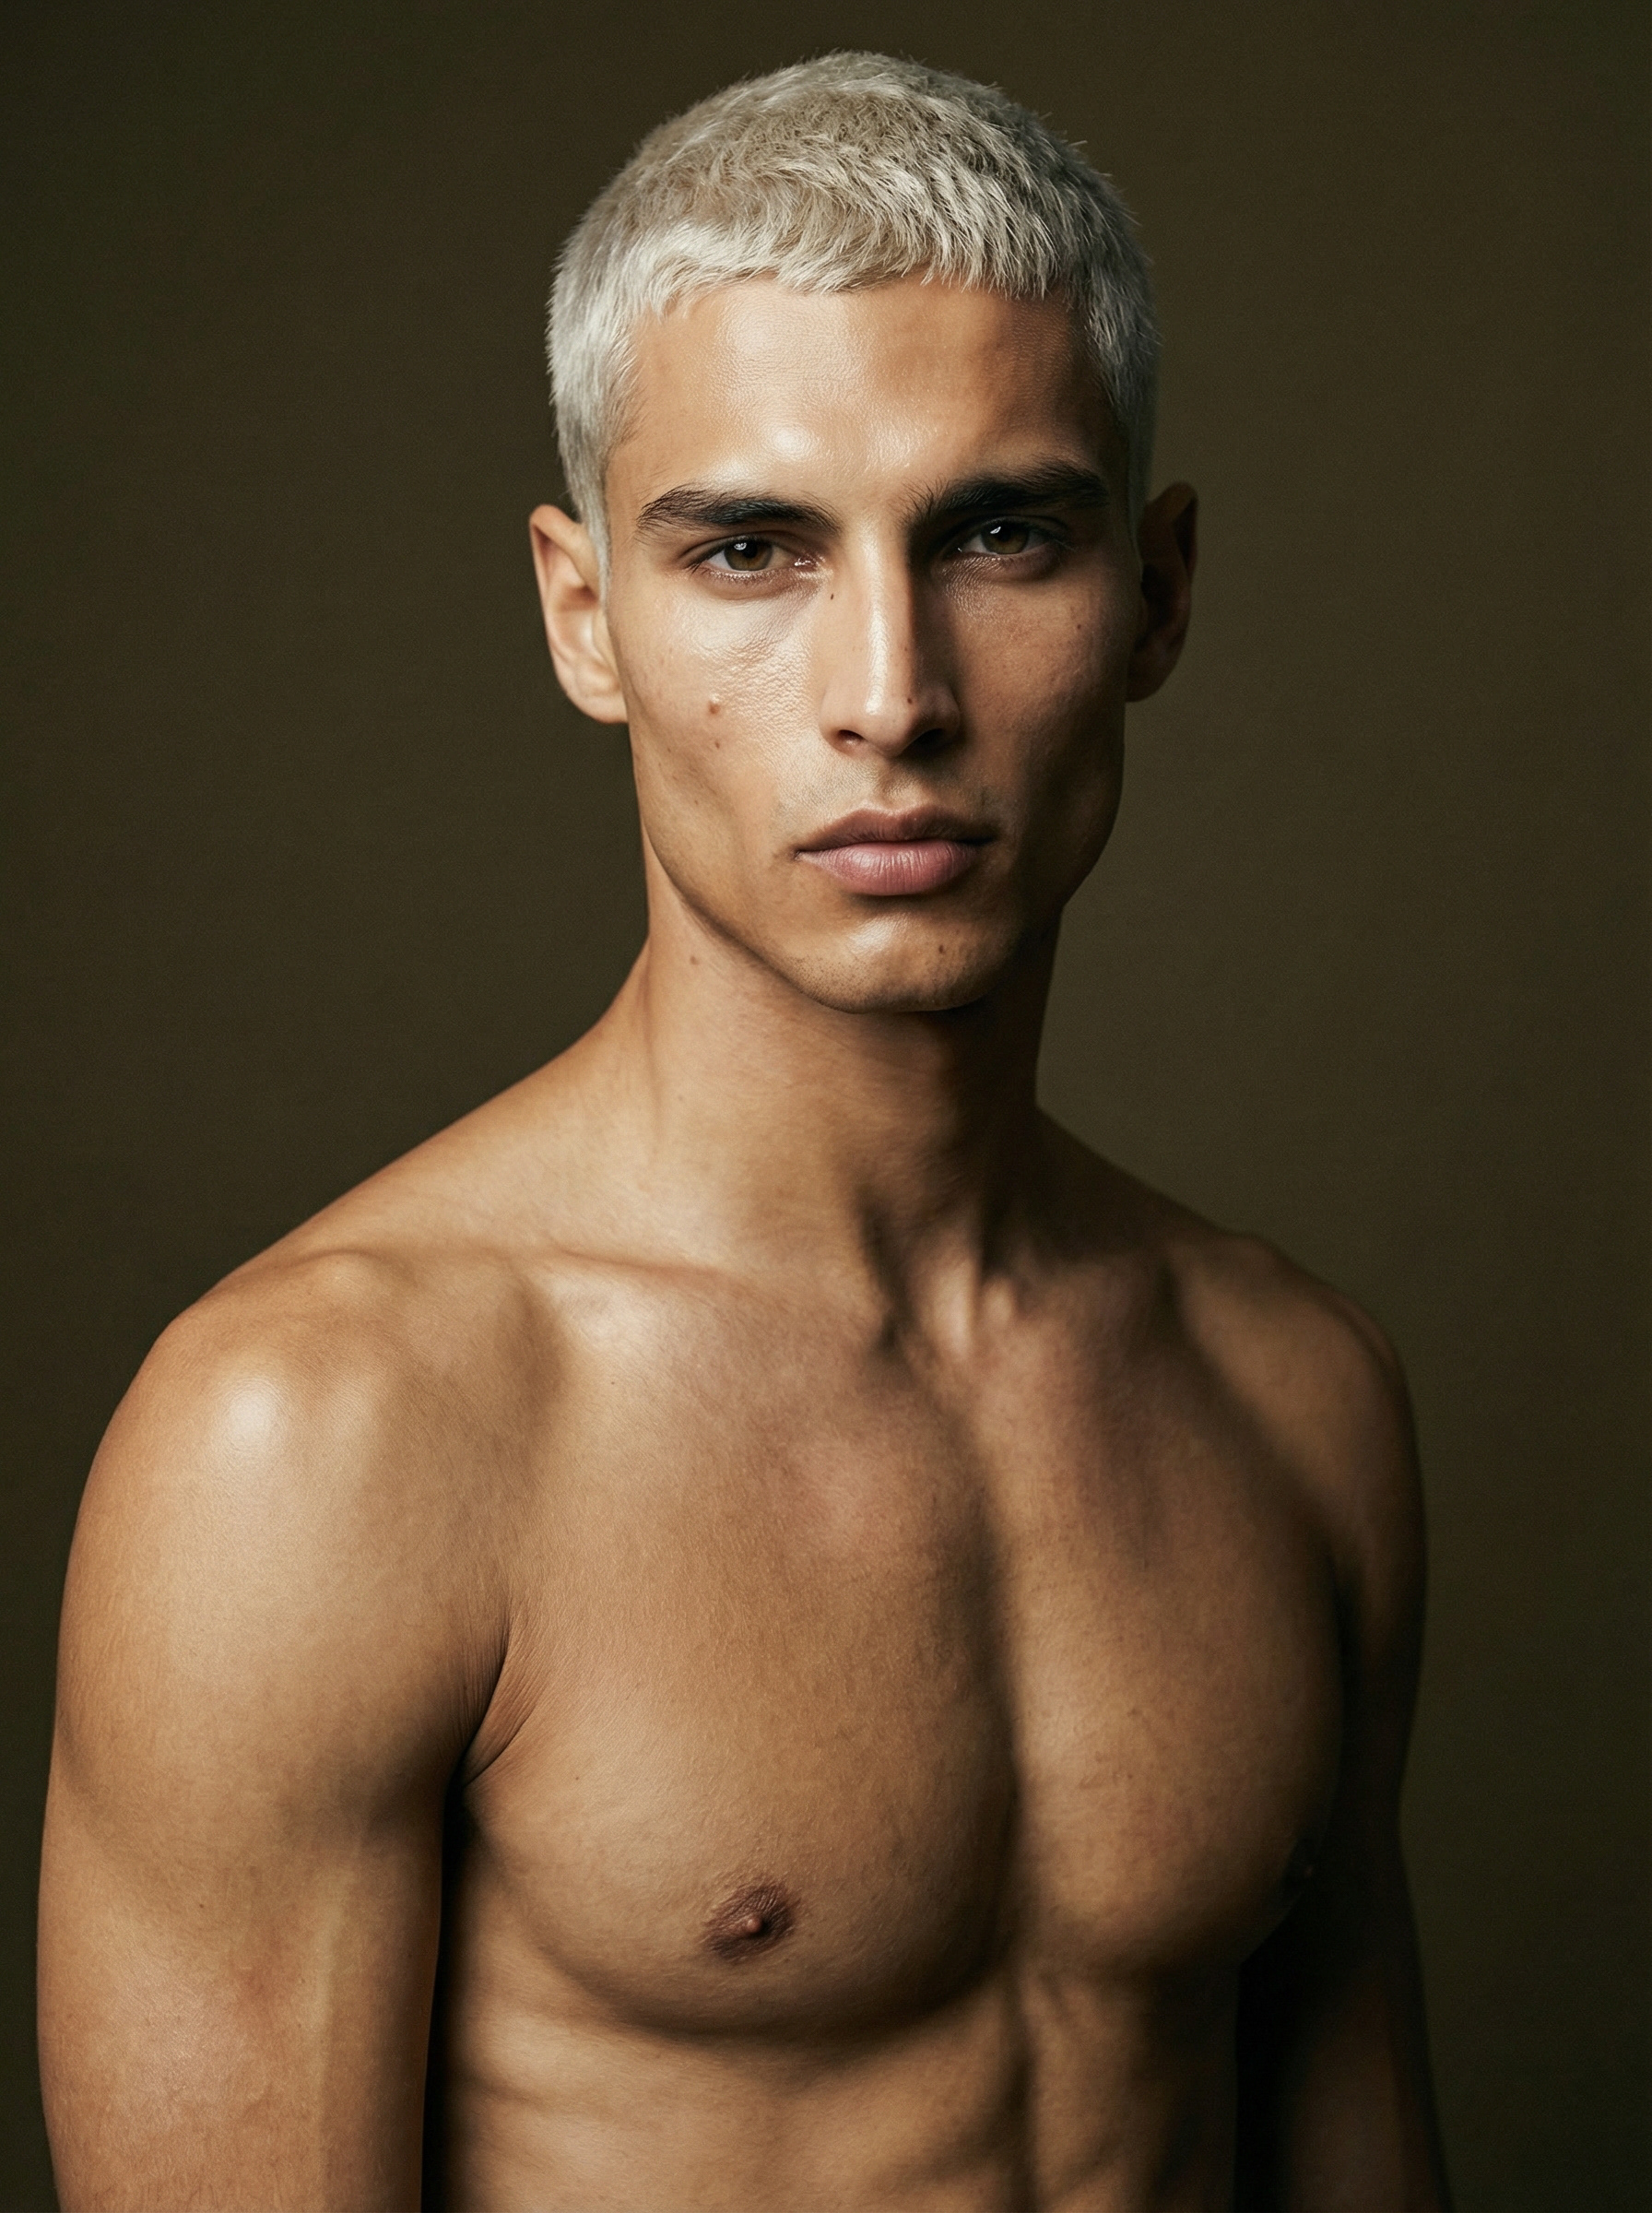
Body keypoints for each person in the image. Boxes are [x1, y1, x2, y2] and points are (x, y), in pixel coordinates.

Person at [38, 53, 1452, 2212]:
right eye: (750, 551)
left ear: (1155, 595)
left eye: (999, 535)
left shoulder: (1290, 1400)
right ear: (583, 614)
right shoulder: (323, 1440)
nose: (889, 692)